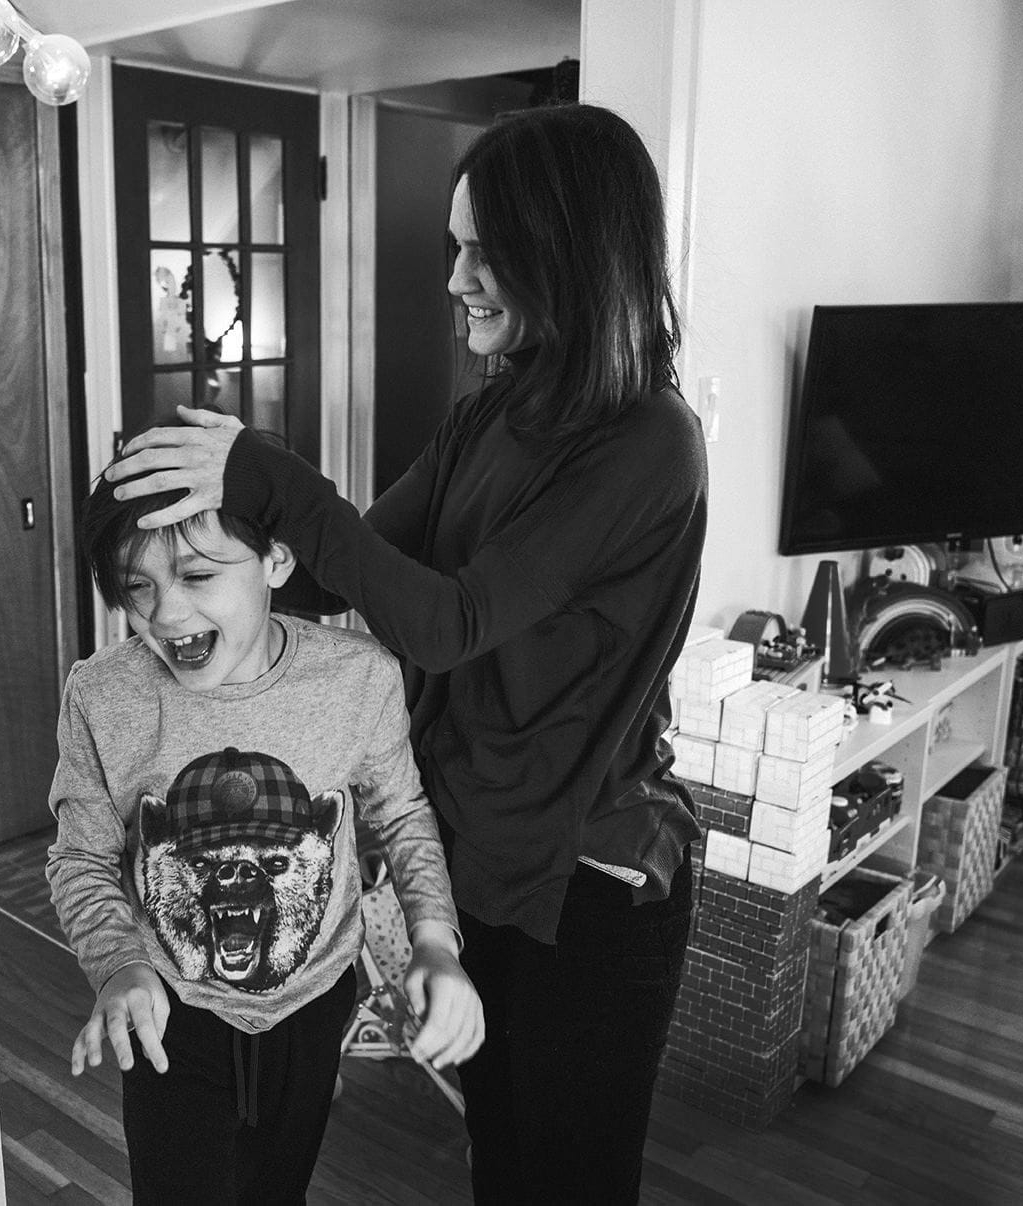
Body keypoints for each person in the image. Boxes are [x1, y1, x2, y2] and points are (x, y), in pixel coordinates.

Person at [103, 103, 708, 1204]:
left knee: (565, 1182)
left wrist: (277, 475)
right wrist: (224, 529)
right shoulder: (491, 417)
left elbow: (445, 622)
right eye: (455, 246)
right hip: (482, 864)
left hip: (589, 887)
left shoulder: (648, 444)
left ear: (564, 255)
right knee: (502, 1162)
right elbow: (348, 572)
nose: (456, 278)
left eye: (485, 250)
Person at [46, 425, 486, 1205]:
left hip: (317, 1007)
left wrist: (435, 940)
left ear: (277, 559)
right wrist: (120, 964)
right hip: (170, 1012)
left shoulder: (358, 677)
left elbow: (404, 813)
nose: (165, 612)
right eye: (136, 585)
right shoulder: (103, 695)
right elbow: (79, 856)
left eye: (196, 574)